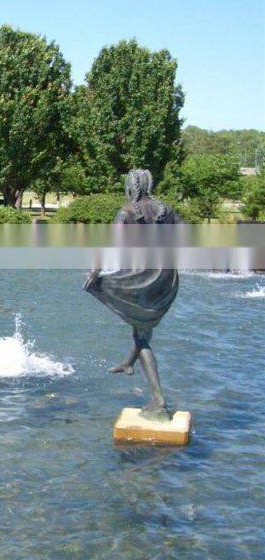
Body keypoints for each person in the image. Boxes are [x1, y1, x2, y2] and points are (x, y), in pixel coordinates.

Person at [84, 169, 182, 421]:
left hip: (140, 277)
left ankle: (159, 400)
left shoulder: (127, 212)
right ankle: (128, 362)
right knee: (142, 329)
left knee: (143, 337)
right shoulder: (167, 210)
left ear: (131, 186)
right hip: (166, 277)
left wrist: (95, 270)